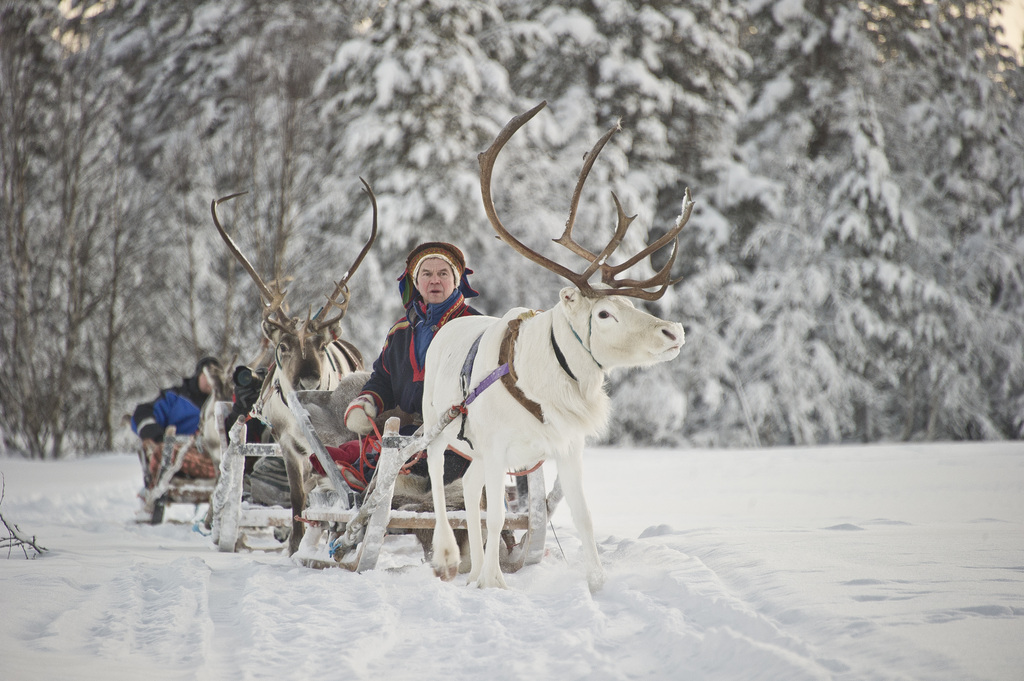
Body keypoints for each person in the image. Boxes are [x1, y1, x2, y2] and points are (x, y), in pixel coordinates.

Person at [314, 242, 481, 489]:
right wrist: (367, 401)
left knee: (422, 475)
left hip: (461, 433)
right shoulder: (400, 331)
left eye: (443, 273)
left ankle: (395, 483)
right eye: (427, 274)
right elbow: (383, 378)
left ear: (456, 281)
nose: (435, 280)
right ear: (416, 281)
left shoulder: (476, 326)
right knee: (378, 462)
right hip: (412, 430)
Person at [131, 356, 221, 487]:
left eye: (216, 378)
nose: (212, 381)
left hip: (210, 456)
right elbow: (143, 413)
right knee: (164, 453)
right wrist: (156, 436)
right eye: (208, 376)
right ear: (198, 375)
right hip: (176, 451)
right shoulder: (175, 398)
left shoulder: (222, 402)